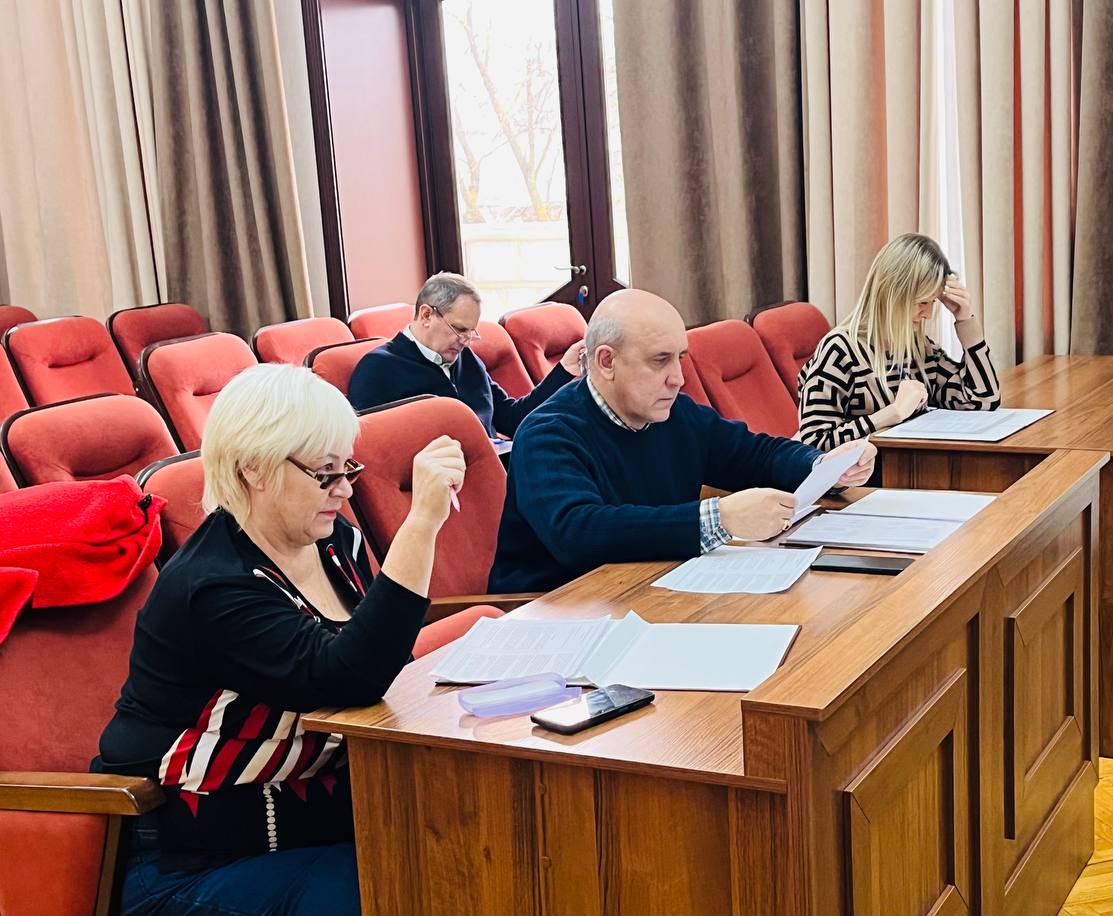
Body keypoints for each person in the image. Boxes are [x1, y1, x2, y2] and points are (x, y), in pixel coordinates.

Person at [96, 364, 466, 915]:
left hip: (315, 820)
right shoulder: (214, 586)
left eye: (347, 468)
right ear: (254, 467)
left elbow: (383, 656)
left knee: (472, 844)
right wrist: (420, 525)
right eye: (324, 472)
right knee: (417, 881)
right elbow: (349, 678)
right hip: (195, 861)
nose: (344, 489)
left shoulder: (332, 539)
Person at [488, 289, 877, 594]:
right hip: (556, 616)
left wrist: (821, 465)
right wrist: (719, 519)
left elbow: (755, 454)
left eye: (680, 358)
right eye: (660, 361)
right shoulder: (548, 432)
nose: (677, 377)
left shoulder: (674, 412)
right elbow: (580, 533)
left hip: (652, 589)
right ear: (606, 362)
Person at [797, 233, 1001, 451]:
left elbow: (983, 400)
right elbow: (814, 442)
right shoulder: (840, 350)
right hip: (869, 472)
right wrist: (892, 413)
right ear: (892, 294)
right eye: (922, 302)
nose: (928, 314)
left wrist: (965, 320)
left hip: (909, 465)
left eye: (932, 302)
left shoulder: (918, 349)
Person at [347, 271, 585, 438]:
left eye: (471, 332)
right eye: (459, 329)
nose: (465, 341)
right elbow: (378, 451)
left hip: (495, 467)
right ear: (426, 315)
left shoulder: (466, 358)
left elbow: (512, 419)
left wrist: (564, 371)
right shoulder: (377, 369)